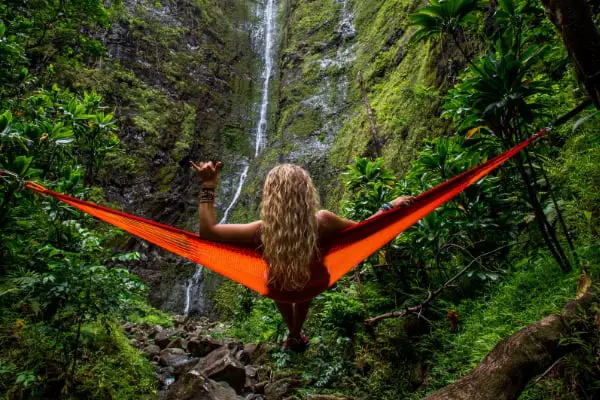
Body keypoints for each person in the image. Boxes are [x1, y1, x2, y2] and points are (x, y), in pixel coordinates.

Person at [190, 160, 414, 351]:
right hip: (313, 283)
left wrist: (208, 184)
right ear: (306, 193)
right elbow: (364, 230)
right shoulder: (324, 221)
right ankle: (296, 333)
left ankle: (293, 333)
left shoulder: (261, 230)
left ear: (270, 197)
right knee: (304, 276)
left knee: (279, 278)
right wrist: (389, 206)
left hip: (278, 288)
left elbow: (208, 232)